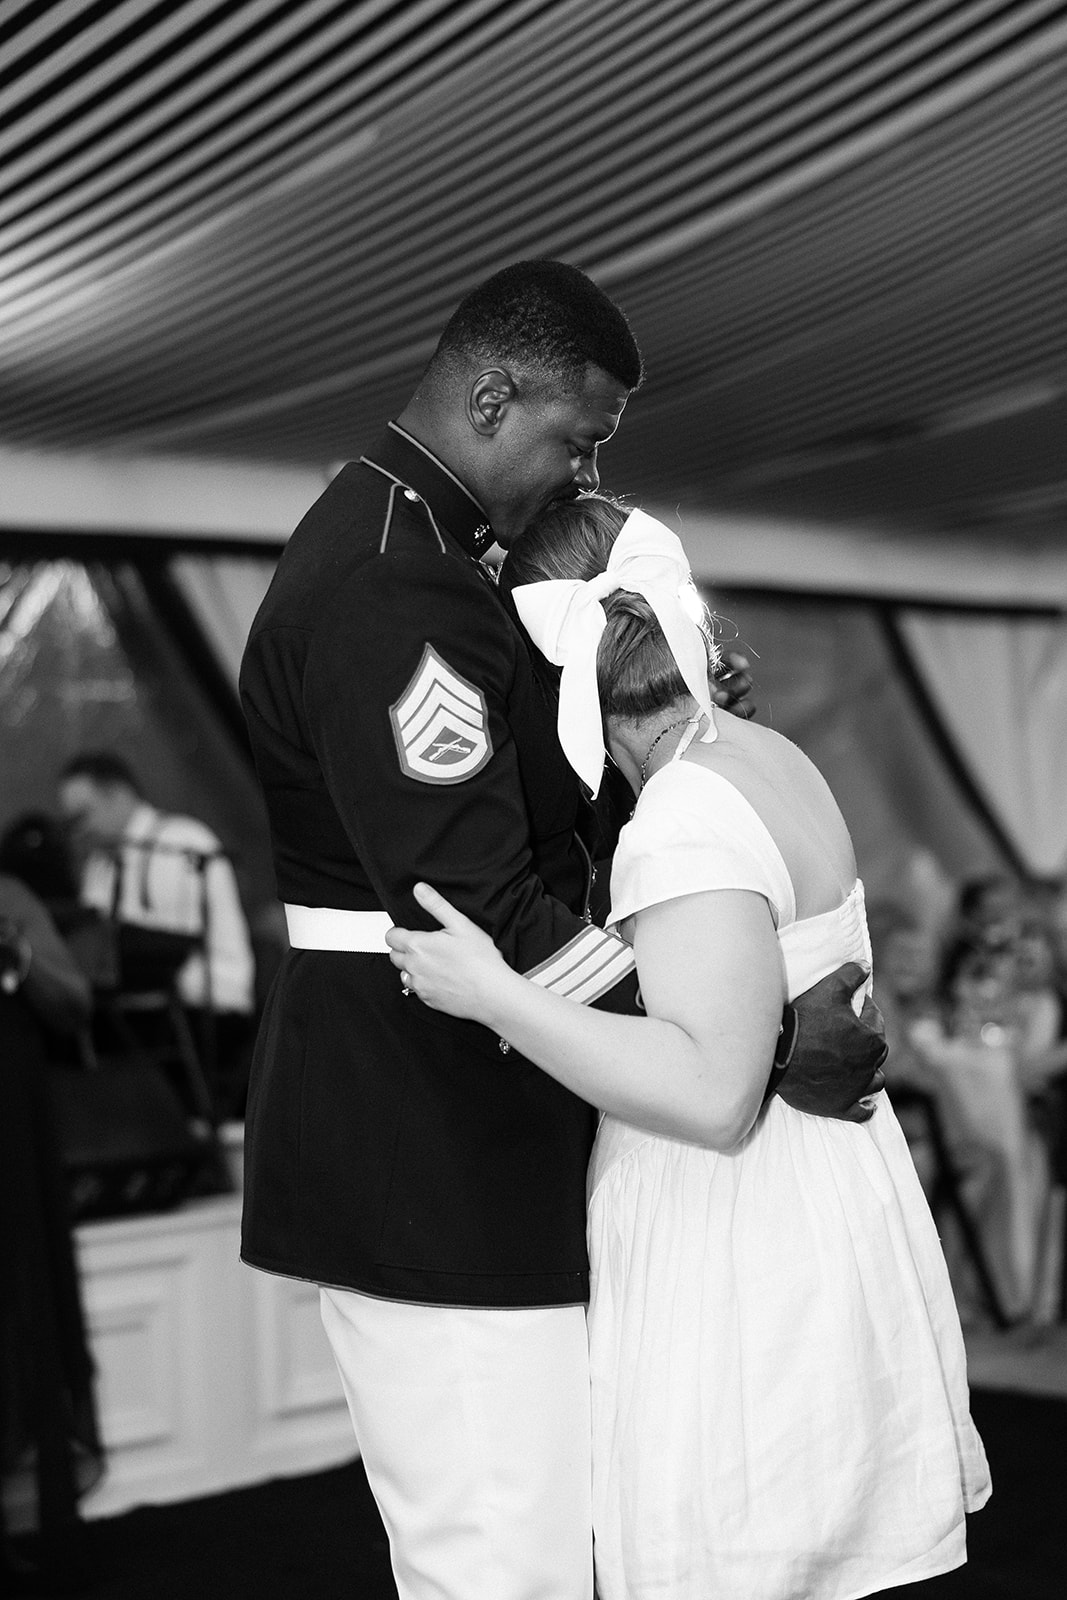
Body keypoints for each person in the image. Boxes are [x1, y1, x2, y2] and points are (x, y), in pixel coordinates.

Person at [237, 260, 887, 1600]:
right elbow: (475, 910)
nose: (585, 482)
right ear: (491, 392)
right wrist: (735, 1046)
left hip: (484, 1132)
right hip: (429, 1150)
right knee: (500, 1571)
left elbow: (518, 831)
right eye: (575, 440)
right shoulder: (389, 583)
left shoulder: (426, 552)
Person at [387, 493, 990, 1600]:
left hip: (736, 1233)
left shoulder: (677, 817)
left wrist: (491, 995)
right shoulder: (769, 756)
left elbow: (712, 1096)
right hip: (823, 1197)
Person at [0, 872, 105, 1593]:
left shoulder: (9, 897)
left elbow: (74, 1006)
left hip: (10, 1139)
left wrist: (22, 956)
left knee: (21, 1315)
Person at [56, 751, 255, 1108]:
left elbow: (169, 941)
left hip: (207, 1014)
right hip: (145, 1011)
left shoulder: (180, 841)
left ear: (118, 794)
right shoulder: (99, 864)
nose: (78, 830)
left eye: (81, 816)